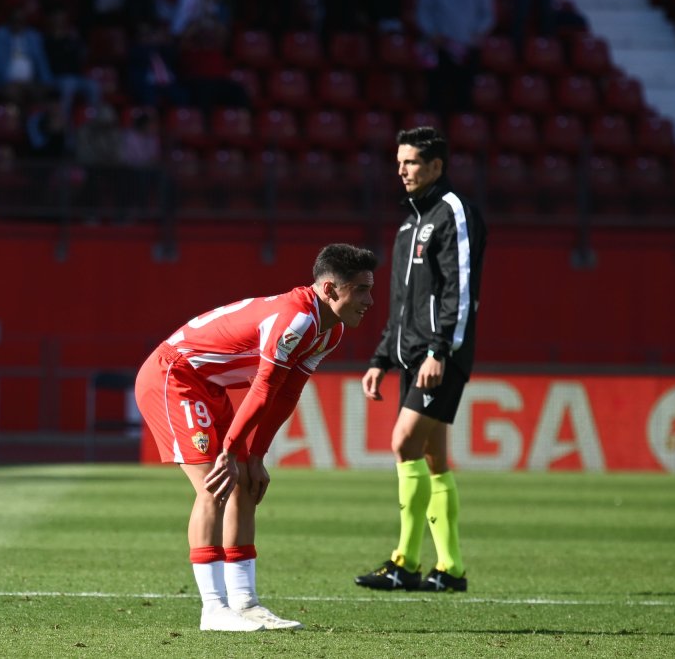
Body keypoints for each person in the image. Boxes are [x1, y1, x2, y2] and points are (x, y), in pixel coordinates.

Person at [136, 244, 378, 631]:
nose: (370, 300)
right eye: (361, 289)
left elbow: (286, 394)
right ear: (331, 289)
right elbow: (264, 388)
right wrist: (232, 451)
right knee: (216, 486)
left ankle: (245, 603)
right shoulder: (297, 319)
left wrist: (255, 455)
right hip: (174, 376)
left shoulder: (329, 332)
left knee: (246, 484)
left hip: (207, 385)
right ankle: (213, 609)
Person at [354, 126, 487, 593]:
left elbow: (460, 288)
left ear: (436, 166)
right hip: (413, 354)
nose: (401, 170)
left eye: (411, 162)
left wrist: (439, 350)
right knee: (432, 457)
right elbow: (402, 303)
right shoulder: (411, 223)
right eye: (399, 161)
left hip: (440, 356)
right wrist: (380, 358)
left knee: (403, 443)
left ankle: (404, 563)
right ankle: (450, 568)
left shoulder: (453, 211)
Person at [415, 0, 494, 119]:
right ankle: (436, 129)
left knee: (464, 94)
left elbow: (487, 15)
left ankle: (463, 129)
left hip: (468, 49)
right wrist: (431, 33)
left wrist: (477, 32)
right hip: (440, 47)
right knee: (437, 94)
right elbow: (423, 12)